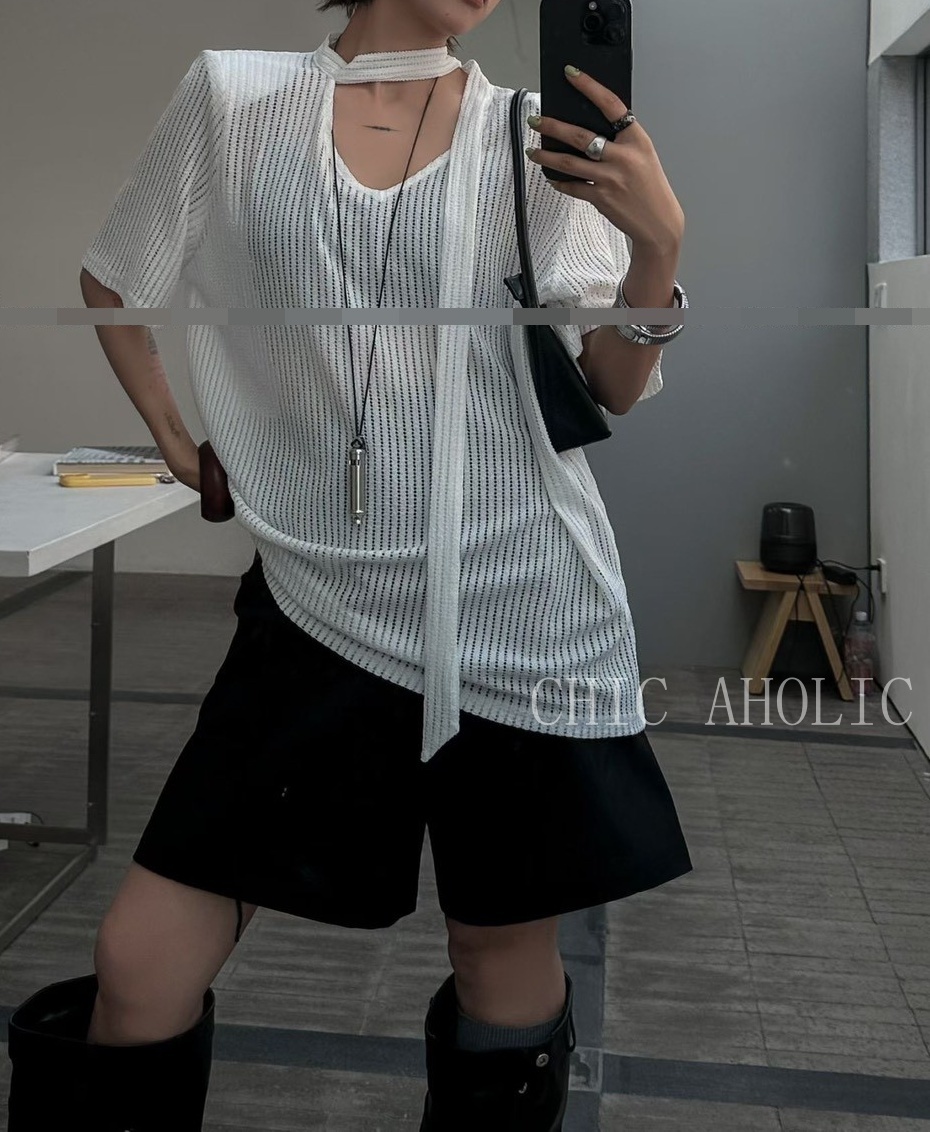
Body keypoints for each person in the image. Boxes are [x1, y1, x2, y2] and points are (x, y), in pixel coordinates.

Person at [6, 0, 693, 1128]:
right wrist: (178, 441)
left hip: (516, 606)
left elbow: (610, 384)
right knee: (138, 961)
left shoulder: (526, 136)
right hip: (316, 600)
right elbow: (115, 274)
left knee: (497, 961)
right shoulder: (235, 98)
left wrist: (658, 250)